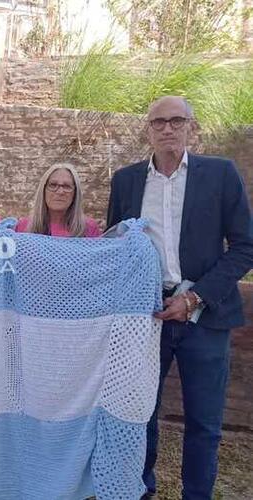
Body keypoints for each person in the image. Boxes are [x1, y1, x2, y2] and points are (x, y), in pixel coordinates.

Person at [106, 96, 253, 499]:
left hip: (206, 316)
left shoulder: (220, 174)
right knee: (141, 413)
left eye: (176, 121)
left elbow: (244, 246)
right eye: (158, 122)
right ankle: (141, 488)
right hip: (146, 316)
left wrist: (195, 298)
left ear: (191, 126)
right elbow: (118, 247)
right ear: (148, 130)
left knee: (204, 422)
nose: (167, 129)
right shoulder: (126, 181)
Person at [16, 163, 101, 237]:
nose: (60, 192)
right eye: (53, 185)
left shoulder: (89, 228)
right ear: (43, 190)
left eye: (67, 186)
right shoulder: (23, 227)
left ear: (75, 193)